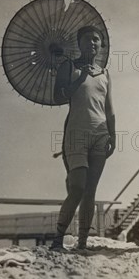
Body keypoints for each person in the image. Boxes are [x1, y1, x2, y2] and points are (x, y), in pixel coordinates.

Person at [50, 25, 116, 250]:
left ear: (101, 45)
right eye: (87, 40)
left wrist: (113, 135)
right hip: (76, 133)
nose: (93, 43)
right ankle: (57, 240)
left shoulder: (105, 72)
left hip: (101, 133)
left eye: (96, 40)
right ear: (79, 44)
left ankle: (82, 243)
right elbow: (58, 95)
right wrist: (80, 78)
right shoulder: (68, 66)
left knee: (90, 191)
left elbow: (109, 108)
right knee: (77, 186)